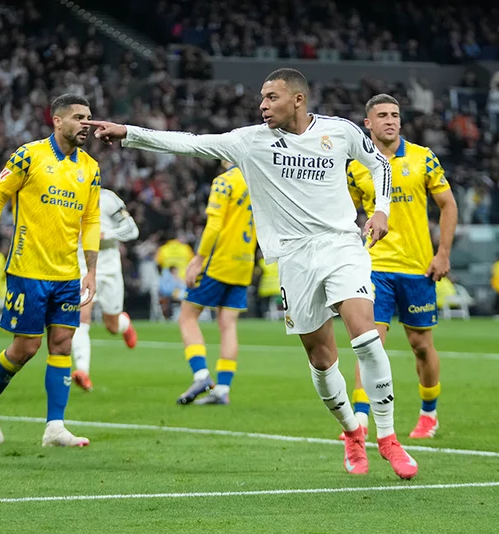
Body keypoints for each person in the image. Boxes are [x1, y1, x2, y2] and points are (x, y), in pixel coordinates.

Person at [84, 68, 418, 479]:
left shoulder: (341, 132)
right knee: (321, 357)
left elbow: (380, 163)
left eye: (271, 97)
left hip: (340, 245)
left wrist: (381, 208)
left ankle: (387, 438)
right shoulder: (249, 141)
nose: (262, 105)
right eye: (262, 97)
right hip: (293, 258)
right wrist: (130, 133)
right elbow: (190, 144)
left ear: (298, 99)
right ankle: (351, 431)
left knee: (365, 335)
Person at [0, 94, 101, 447]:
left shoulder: (90, 168)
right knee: (25, 349)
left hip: (68, 274)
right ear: (57, 121)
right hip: (28, 270)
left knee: (62, 343)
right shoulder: (29, 155)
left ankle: (55, 427)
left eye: (88, 117)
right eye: (78, 117)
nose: (86, 124)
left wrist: (91, 269)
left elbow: (91, 220)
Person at [342, 94, 458, 441]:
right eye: (382, 115)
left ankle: (428, 413)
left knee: (421, 344)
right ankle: (361, 419)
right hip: (374, 268)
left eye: (395, 115)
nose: (390, 120)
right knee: (368, 342)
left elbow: (448, 205)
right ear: (368, 124)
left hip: (418, 268)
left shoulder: (423, 158)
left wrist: (443, 254)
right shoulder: (356, 166)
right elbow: (345, 216)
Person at [177, 162, 256, 406]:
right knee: (228, 324)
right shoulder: (258, 179)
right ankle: (222, 390)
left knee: (187, 317)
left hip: (218, 260)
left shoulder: (225, 181)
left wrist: (198, 259)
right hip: (245, 261)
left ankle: (201, 376)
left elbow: (213, 225)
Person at [72, 187, 140, 392]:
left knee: (111, 325)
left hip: (109, 267)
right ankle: (82, 370)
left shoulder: (108, 199)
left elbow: (132, 229)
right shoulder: (64, 194)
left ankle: (123, 323)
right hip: (81, 265)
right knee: (81, 317)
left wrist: (104, 233)